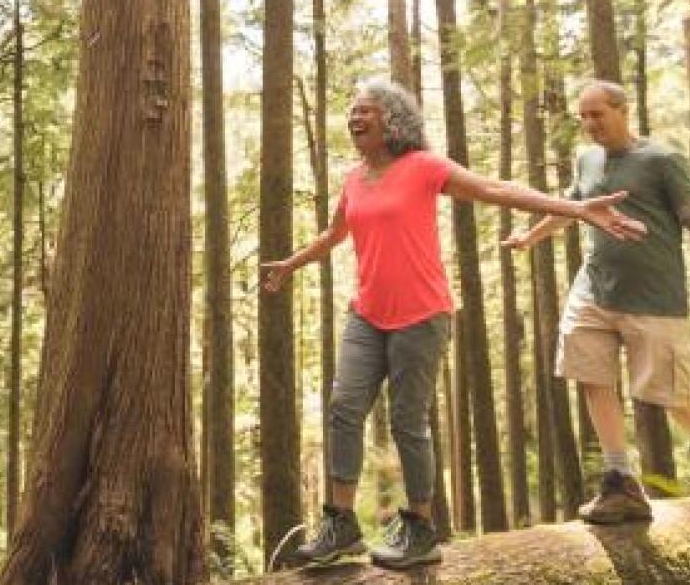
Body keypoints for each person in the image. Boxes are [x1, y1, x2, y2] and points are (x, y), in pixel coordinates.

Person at [261, 77, 645, 569]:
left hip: (422, 315)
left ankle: (420, 527)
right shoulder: (354, 178)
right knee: (343, 407)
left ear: (393, 120)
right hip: (367, 313)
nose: (354, 119)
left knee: (406, 420)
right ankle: (340, 522)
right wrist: (292, 264)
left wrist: (573, 208)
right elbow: (335, 233)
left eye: (366, 112)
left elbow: (495, 189)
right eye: (352, 112)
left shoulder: (423, 167)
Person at [504, 79, 690, 524]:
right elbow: (573, 207)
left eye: (598, 114)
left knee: (673, 394)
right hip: (594, 289)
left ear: (622, 110)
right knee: (591, 374)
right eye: (584, 117)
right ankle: (620, 480)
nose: (590, 124)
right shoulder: (586, 159)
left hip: (653, 298)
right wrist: (530, 237)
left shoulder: (662, 160)